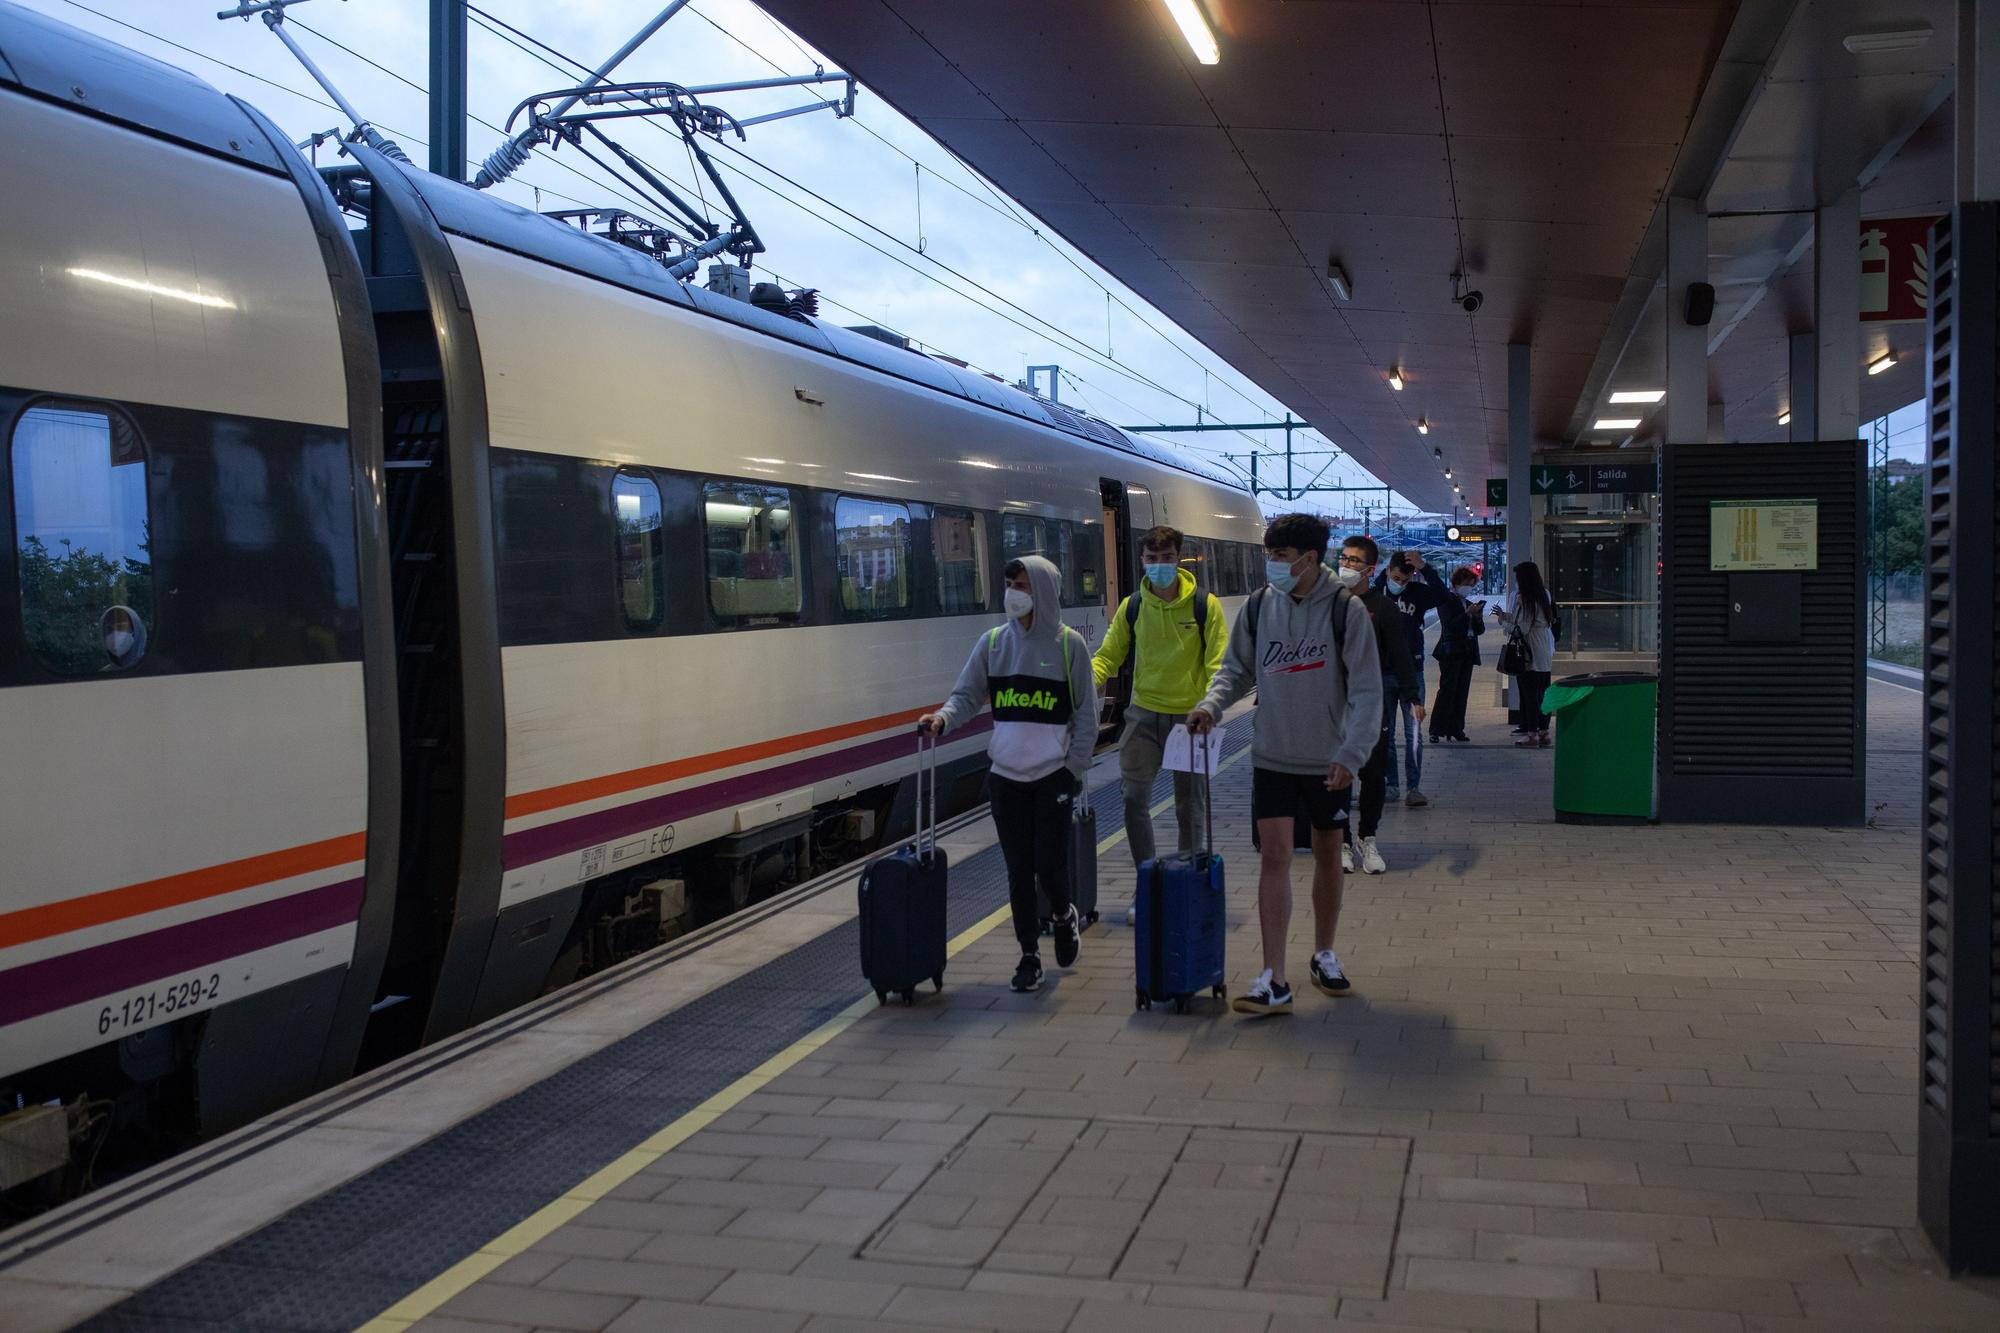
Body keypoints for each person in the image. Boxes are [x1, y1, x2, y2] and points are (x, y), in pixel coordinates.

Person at [1188, 513, 1380, 1015]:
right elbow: (1235, 669)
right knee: (1274, 856)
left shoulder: (1346, 611)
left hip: (1328, 760)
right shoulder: (1257, 606)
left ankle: (1324, 953)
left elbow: (1366, 691)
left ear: (1309, 559)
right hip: (1271, 753)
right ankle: (1273, 977)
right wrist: (1211, 706)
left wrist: (1351, 755)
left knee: (1326, 850)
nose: (1271, 563)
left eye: (1279, 555)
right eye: (1270, 554)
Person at [920, 555, 1097, 993]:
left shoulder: (1068, 646)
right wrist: (942, 719)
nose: (1012, 593)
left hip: (1051, 776)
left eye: (1022, 585)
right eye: (1010, 584)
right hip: (1005, 776)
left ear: (1043, 590)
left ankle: (1063, 913)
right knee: (1018, 868)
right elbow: (966, 695)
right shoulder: (994, 643)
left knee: (1049, 865)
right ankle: (1028, 956)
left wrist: (1071, 771)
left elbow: (1087, 717)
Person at [1091, 525, 1226, 887]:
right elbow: (1108, 656)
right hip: (1143, 716)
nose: (1159, 566)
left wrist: (1211, 706)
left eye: (1166, 558)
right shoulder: (1132, 606)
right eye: (1152, 559)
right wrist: (1081, 680)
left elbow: (1217, 664)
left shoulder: (1204, 605)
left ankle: (1186, 883)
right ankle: (1147, 882)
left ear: (1178, 559)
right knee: (1133, 799)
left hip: (1192, 720)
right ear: (1142, 561)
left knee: (1190, 808)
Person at [1335, 535, 1421, 877]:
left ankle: (1366, 839)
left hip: (1371, 703)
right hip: (1333, 705)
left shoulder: (1383, 608)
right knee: (1337, 775)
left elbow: (1400, 655)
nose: (1346, 565)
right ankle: (1341, 842)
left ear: (1371, 569)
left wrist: (1414, 697)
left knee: (1372, 775)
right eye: (1344, 558)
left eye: (1355, 561)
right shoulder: (1328, 603)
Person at [1374, 550, 1465, 808]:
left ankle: (1413, 787)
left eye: (1404, 580)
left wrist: (1425, 567)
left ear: (1412, 576)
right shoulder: (1380, 590)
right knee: (1386, 733)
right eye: (1395, 578)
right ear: (1388, 572)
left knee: (1414, 733)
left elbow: (1444, 597)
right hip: (1382, 672)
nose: (1399, 584)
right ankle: (1391, 785)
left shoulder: (1418, 593)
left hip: (1412, 673)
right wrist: (1385, 574)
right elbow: (1369, 589)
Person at [1497, 560, 1559, 748]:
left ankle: (1531, 734)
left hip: (1529, 648)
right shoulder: (1544, 594)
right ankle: (1544, 732)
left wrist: (1503, 622)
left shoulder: (1526, 598)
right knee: (1543, 691)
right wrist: (1510, 616)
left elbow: (1522, 628)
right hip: (1544, 646)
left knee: (1530, 693)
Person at [1428, 567, 1486, 743]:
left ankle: (1456, 728)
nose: (1468, 588)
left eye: (1471, 585)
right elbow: (1450, 625)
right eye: (1466, 584)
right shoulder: (1447, 601)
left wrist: (1476, 616)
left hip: (1467, 651)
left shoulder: (1469, 604)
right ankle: (1436, 729)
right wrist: (1466, 615)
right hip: (1450, 651)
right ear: (1457, 583)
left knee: (1462, 692)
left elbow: (1480, 630)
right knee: (1447, 690)